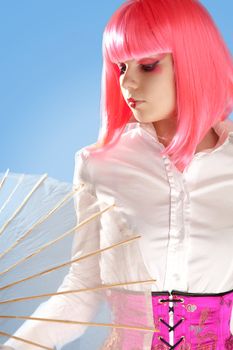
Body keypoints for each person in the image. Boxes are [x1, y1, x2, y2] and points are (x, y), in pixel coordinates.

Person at [4, 0, 233, 349]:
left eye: (148, 65)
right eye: (121, 67)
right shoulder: (100, 164)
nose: (128, 82)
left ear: (194, 62)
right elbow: (80, 294)